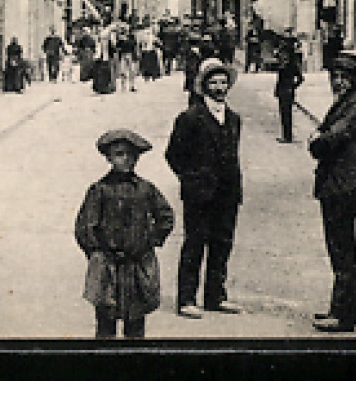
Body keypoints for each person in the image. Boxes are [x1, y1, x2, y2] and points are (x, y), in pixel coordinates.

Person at [75, 129, 175, 339]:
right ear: (109, 158)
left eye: (131, 155)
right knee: (105, 324)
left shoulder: (146, 189)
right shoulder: (99, 190)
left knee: (136, 323)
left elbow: (165, 217)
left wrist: (149, 241)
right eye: (119, 154)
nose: (126, 160)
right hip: (107, 267)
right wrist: (98, 253)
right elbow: (85, 227)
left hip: (136, 266)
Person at [163, 58, 244, 317]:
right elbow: (173, 154)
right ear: (204, 86)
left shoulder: (234, 118)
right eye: (214, 82)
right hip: (199, 193)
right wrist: (191, 178)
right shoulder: (190, 118)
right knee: (195, 243)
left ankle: (215, 296)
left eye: (223, 82)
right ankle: (186, 299)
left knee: (222, 243)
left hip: (228, 193)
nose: (219, 88)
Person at [308, 51, 356, 333]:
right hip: (336, 185)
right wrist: (319, 137)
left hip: (343, 186)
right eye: (335, 78)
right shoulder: (344, 105)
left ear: (354, 81)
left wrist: (317, 140)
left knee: (343, 251)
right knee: (339, 251)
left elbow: (328, 139)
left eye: (344, 78)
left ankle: (345, 317)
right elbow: (324, 132)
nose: (338, 83)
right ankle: (341, 309)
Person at [273, 37, 305, 144]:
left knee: (286, 114)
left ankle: (287, 136)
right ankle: (286, 135)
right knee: (285, 114)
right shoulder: (287, 64)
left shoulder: (291, 65)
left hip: (287, 91)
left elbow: (301, 78)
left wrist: (292, 87)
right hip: (285, 90)